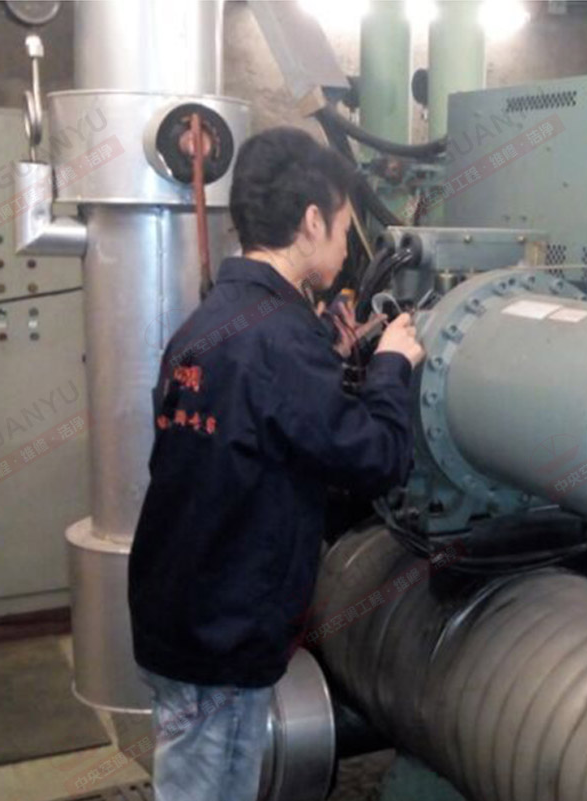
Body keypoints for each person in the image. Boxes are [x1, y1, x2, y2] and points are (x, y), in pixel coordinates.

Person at [127, 127, 424, 801]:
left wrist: (332, 362)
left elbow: (260, 430)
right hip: (224, 637)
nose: (347, 249)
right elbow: (377, 457)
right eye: (344, 229)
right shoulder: (282, 340)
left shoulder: (212, 322)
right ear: (312, 221)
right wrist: (390, 367)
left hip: (178, 613)